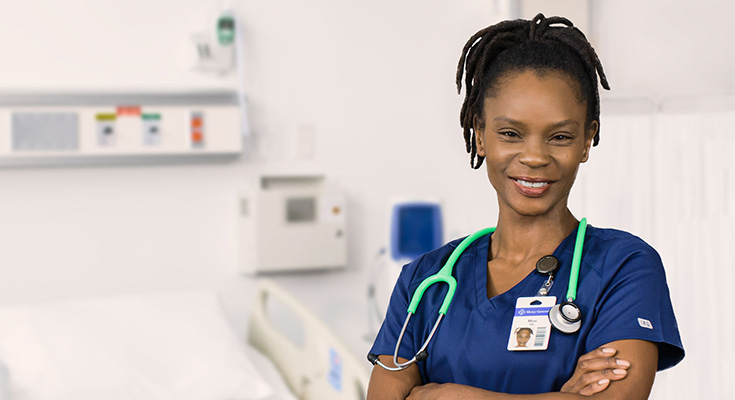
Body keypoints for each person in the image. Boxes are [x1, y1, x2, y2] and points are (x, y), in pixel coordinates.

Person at [367, 13, 684, 400]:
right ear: (480, 135)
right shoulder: (424, 280)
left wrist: (450, 396)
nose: (534, 157)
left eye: (561, 136)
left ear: (588, 140)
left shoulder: (624, 266)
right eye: (510, 133)